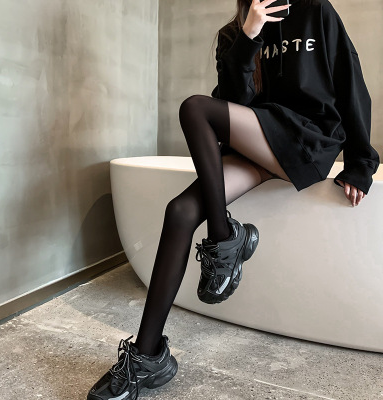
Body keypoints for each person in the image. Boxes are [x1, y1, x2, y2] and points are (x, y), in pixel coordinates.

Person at [87, 0, 380, 399]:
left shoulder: (314, 9)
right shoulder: (233, 34)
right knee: (180, 211)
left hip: (305, 140)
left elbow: (350, 79)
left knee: (194, 108)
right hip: (257, 145)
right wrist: (248, 36)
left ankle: (224, 237)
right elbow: (232, 104)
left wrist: (362, 162)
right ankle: (148, 355)